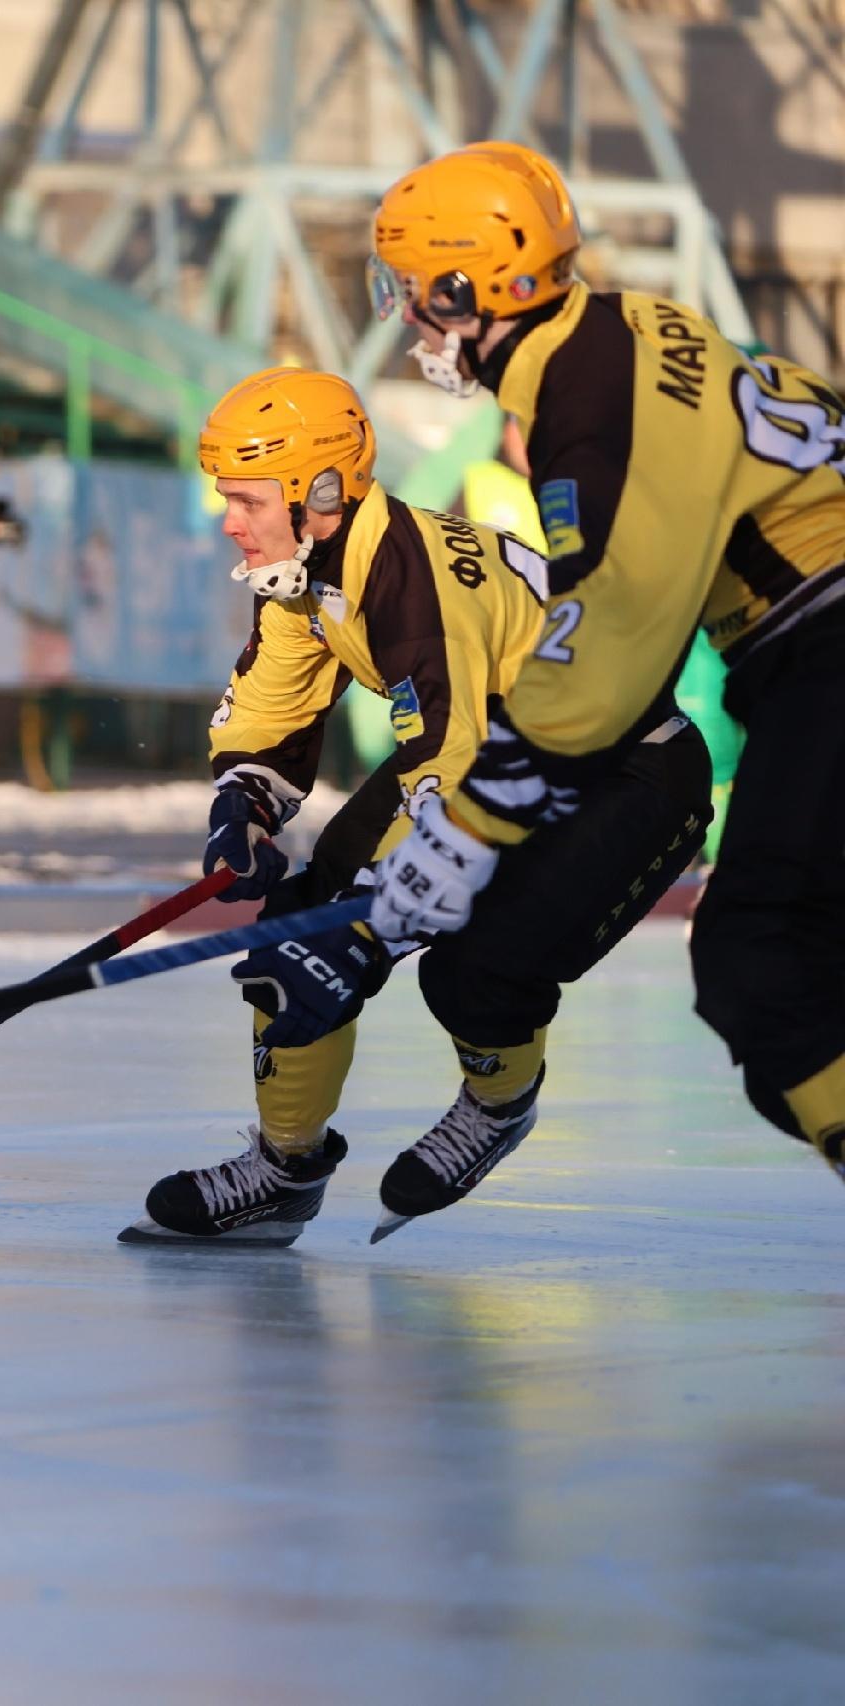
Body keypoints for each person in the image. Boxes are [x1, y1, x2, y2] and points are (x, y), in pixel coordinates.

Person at [120, 369, 711, 1246]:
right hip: (497, 762)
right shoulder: (308, 570)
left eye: (245, 499)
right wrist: (241, 806)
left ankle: (499, 1103)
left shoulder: (415, 587)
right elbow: (274, 709)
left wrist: (368, 932)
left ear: (319, 493)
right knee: (295, 932)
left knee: (474, 968)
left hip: (627, 774)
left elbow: (454, 769)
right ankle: (285, 1173)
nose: (229, 521)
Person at [367, 141, 845, 1187]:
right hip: (811, 650)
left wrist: (464, 829)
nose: (405, 316)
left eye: (410, 290)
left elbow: (610, 645)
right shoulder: (615, 336)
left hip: (827, 646)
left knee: (759, 964)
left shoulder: (593, 397)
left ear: (466, 288)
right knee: (790, 1006)